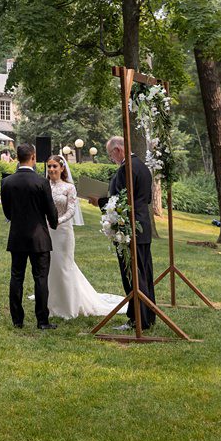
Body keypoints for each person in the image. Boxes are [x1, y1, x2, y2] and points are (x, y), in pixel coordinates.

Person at [41, 155, 124, 319]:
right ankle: (52, 303)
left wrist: (57, 221)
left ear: (62, 168)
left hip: (62, 231)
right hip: (47, 231)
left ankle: (68, 307)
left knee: (64, 266)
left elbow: (71, 210)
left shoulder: (69, 188)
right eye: (49, 166)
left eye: (54, 166)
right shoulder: (44, 186)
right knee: (49, 267)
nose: (51, 169)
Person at [90, 136, 156, 330]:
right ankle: (148, 316)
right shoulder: (143, 167)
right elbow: (147, 198)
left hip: (128, 229)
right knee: (144, 273)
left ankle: (138, 319)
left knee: (132, 275)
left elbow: (119, 202)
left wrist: (99, 202)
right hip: (143, 225)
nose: (112, 159)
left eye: (111, 155)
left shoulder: (125, 169)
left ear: (118, 150)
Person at [1, 143, 59, 330]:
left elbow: (7, 212)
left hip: (17, 236)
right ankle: (42, 320)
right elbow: (50, 210)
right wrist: (54, 222)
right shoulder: (42, 182)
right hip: (38, 237)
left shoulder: (7, 182)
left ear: (17, 158)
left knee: (16, 277)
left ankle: (17, 320)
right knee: (40, 278)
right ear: (33, 157)